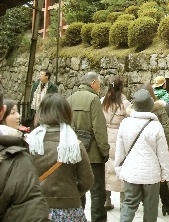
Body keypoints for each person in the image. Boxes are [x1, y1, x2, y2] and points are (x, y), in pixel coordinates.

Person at [27, 93, 94, 221]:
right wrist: (72, 193)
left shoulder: (29, 143)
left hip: (36, 209)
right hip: (69, 210)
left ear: (41, 112)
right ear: (67, 113)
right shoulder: (75, 145)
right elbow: (88, 180)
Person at [115, 89, 169, 222]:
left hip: (131, 171)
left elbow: (120, 150)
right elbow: (162, 153)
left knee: (129, 203)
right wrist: (165, 173)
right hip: (151, 174)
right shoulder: (156, 126)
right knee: (151, 206)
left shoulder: (125, 123)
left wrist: (118, 168)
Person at [0, 91, 50, 222]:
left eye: (17, 112)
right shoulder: (17, 159)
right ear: (2, 112)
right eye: (13, 113)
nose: (18, 116)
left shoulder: (24, 141)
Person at [67, 71, 110, 222]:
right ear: (93, 83)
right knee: (97, 191)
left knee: (79, 189)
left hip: (74, 151)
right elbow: (99, 128)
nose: (100, 87)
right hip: (93, 154)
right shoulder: (93, 99)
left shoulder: (70, 99)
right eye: (99, 84)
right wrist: (104, 150)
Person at [100, 76, 131, 211]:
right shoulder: (125, 104)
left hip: (106, 136)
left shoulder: (102, 102)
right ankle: (124, 201)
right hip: (120, 137)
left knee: (107, 169)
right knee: (122, 167)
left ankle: (107, 200)